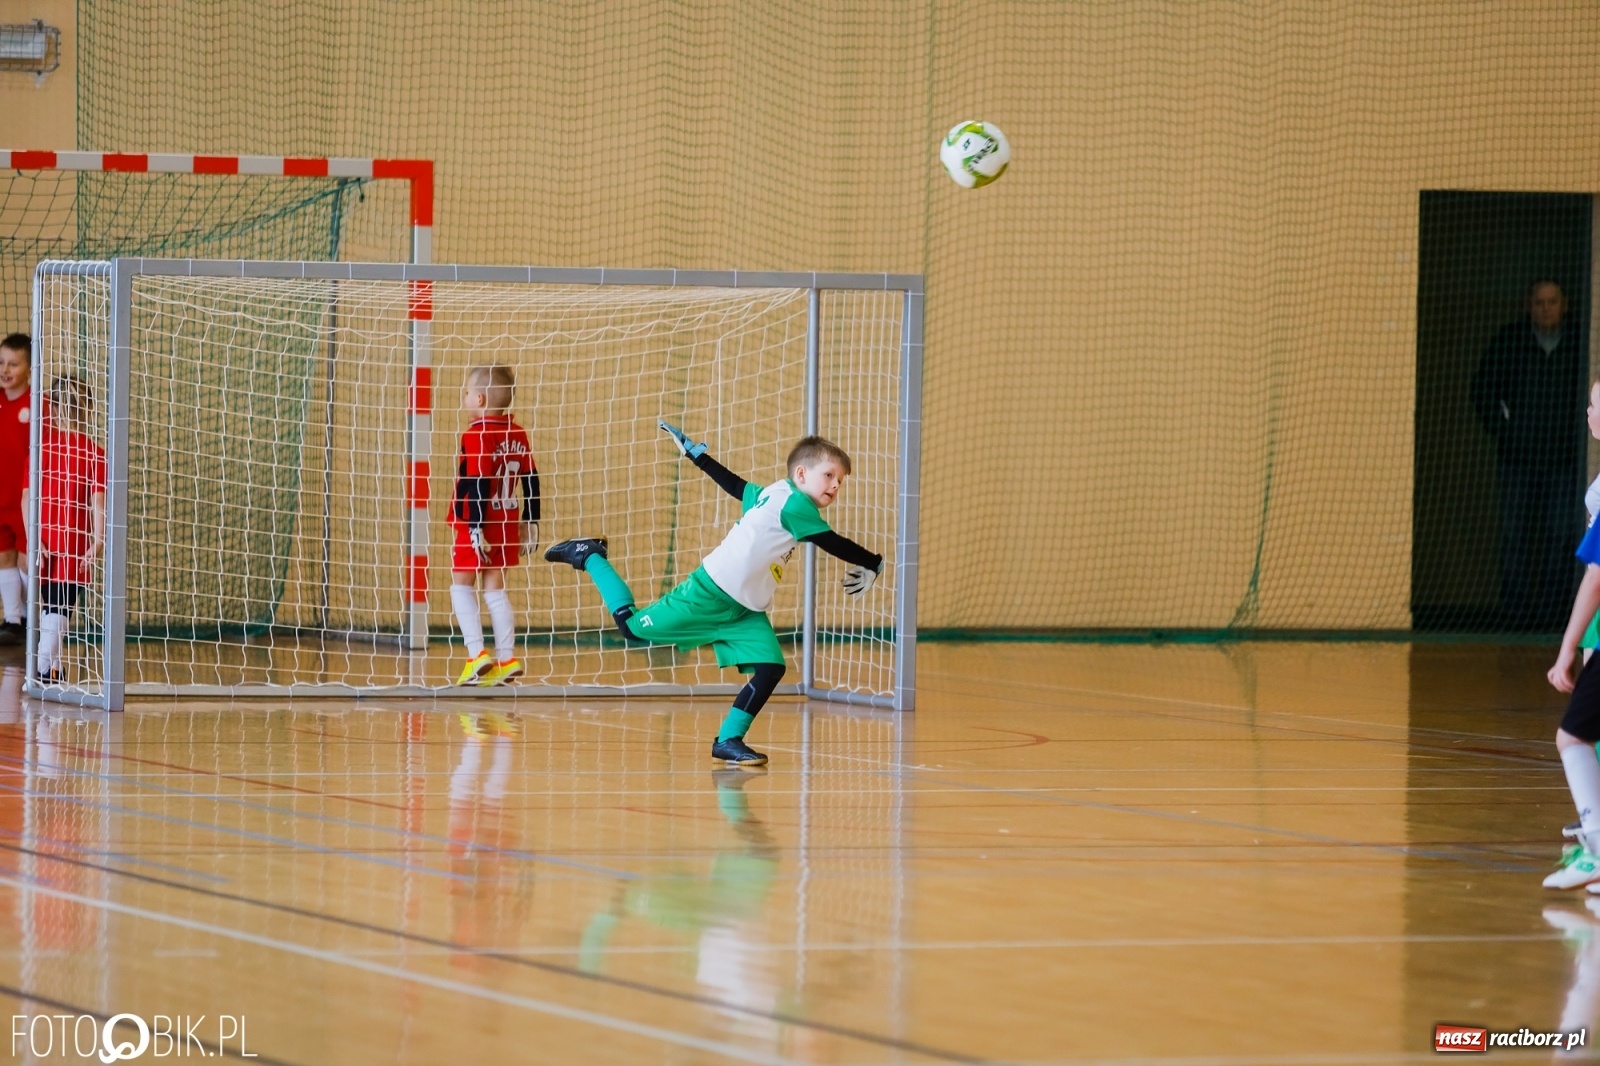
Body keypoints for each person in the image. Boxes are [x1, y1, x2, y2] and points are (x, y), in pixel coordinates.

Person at [545, 423, 884, 766]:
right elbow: (832, 542)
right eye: (829, 475)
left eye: (840, 481)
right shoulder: (795, 505)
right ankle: (590, 555)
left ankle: (728, 741)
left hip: (746, 612)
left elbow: (737, 486)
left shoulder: (775, 493)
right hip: (707, 594)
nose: (836, 485)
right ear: (801, 473)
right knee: (630, 628)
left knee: (770, 668)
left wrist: (699, 457)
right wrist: (873, 562)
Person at [1472, 280, 1587, 629]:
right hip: (1517, 461)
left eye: (1552, 302)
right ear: (1529, 305)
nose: (1546, 308)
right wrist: (1507, 430)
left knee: (1561, 536)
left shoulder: (1581, 342)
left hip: (1565, 463)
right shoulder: (1510, 341)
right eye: (1539, 302)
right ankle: (1516, 615)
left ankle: (1555, 616)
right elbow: (1482, 390)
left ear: (1564, 305)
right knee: (1514, 536)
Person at [448, 366, 539, 687]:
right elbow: (531, 479)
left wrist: (474, 528)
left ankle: (476, 655)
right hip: (508, 520)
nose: (465, 397)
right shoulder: (518, 433)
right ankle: (506, 658)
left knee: (460, 586)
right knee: (495, 591)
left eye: (467, 392)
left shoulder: (476, 433)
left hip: (478, 520)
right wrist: (532, 519)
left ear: (480, 398)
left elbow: (477, 481)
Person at [33, 376, 105, 683]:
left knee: (53, 606)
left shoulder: (43, 448)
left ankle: (50, 670)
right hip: (69, 542)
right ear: (89, 409)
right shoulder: (94, 452)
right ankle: (44, 667)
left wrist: (34, 537)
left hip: (49, 540)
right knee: (58, 607)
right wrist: (98, 540)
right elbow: (98, 503)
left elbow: (28, 499)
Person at [0, 334, 32, 645]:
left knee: (26, 561)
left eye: (13, 363)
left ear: (28, 367)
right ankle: (12, 620)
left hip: (24, 500)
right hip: (0, 499)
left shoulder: (37, 405)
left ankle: (29, 619)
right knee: (4, 558)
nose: (5, 369)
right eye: (1, 362)